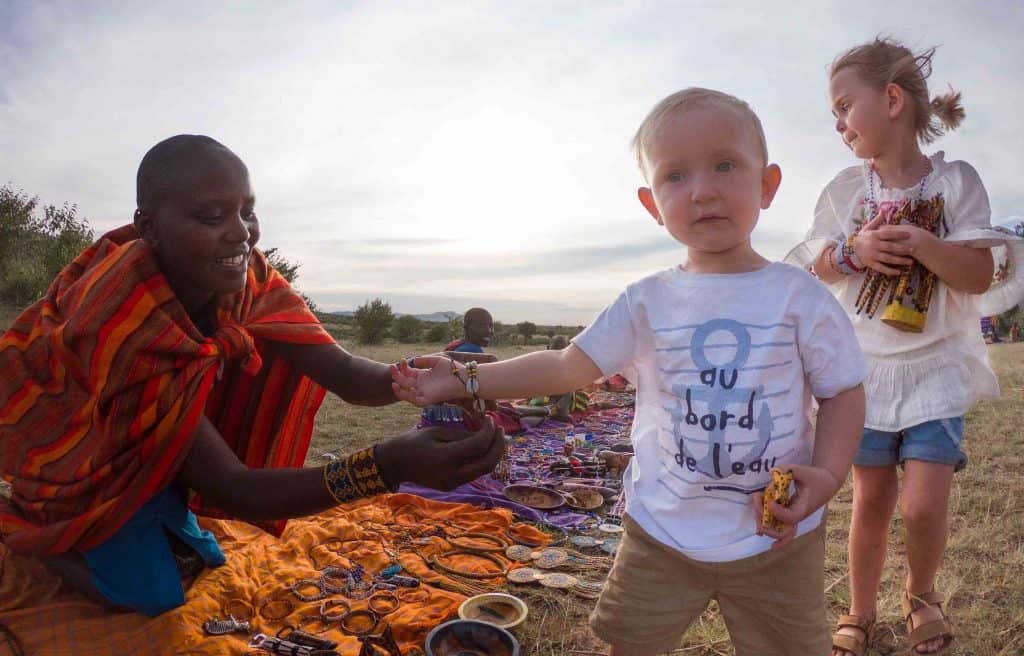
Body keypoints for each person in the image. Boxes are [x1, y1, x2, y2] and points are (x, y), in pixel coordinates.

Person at [394, 88, 868, 655]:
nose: (702, 190)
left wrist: (830, 473)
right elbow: (567, 366)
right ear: (651, 205)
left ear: (767, 185)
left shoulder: (801, 297)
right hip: (660, 535)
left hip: (777, 540)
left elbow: (843, 391)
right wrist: (465, 377)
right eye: (674, 176)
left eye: (725, 164)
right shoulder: (646, 302)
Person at [0, 135, 505, 616]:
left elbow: (349, 375)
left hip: (151, 442)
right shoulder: (123, 324)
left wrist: (456, 375)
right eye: (212, 216)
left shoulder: (245, 275)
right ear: (150, 227)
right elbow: (234, 488)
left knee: (204, 555)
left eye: (247, 210)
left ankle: (150, 497)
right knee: (151, 593)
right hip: (83, 454)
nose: (242, 232)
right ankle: (25, 532)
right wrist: (387, 467)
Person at [798, 38, 1013, 656]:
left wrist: (922, 243)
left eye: (844, 107)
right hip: (865, 374)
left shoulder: (955, 183)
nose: (838, 124)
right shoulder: (846, 192)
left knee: (921, 507)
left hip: (936, 369)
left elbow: (978, 274)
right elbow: (817, 264)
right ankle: (860, 611)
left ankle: (921, 594)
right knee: (870, 501)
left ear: (891, 99)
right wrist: (853, 250)